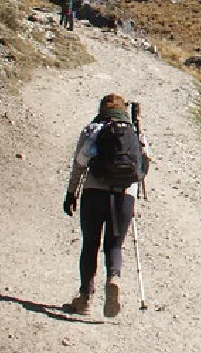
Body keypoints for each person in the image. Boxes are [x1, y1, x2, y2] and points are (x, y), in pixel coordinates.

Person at [62, 94, 149, 316]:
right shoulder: (134, 133)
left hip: (93, 192)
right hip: (124, 195)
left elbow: (79, 163)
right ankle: (113, 278)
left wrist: (72, 192)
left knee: (90, 244)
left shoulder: (93, 129)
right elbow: (145, 163)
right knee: (114, 245)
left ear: (102, 108)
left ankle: (85, 298)